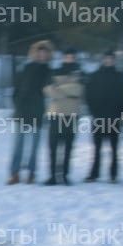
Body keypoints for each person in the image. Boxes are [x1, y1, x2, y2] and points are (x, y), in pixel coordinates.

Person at [8, 40, 52, 184]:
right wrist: (18, 107)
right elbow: (16, 91)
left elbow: (49, 91)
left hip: (38, 113)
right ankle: (14, 174)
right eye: (39, 52)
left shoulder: (48, 71)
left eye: (44, 52)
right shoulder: (25, 69)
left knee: (35, 146)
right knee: (18, 144)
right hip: (22, 112)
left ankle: (32, 174)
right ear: (34, 53)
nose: (41, 55)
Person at [84, 49, 123, 182]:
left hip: (114, 117)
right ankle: (94, 173)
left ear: (114, 60)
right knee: (97, 148)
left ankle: (113, 175)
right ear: (103, 59)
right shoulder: (95, 75)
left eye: (111, 58)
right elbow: (88, 94)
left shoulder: (119, 76)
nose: (109, 60)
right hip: (98, 116)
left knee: (114, 149)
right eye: (107, 58)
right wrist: (93, 110)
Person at [43, 48, 83, 185]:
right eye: (67, 56)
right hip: (55, 114)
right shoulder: (55, 71)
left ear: (75, 58)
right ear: (63, 57)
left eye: (72, 56)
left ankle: (65, 176)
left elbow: (79, 90)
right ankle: (52, 176)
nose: (69, 59)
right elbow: (48, 90)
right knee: (53, 147)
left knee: (68, 147)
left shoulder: (80, 72)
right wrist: (68, 91)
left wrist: (59, 88)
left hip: (72, 115)